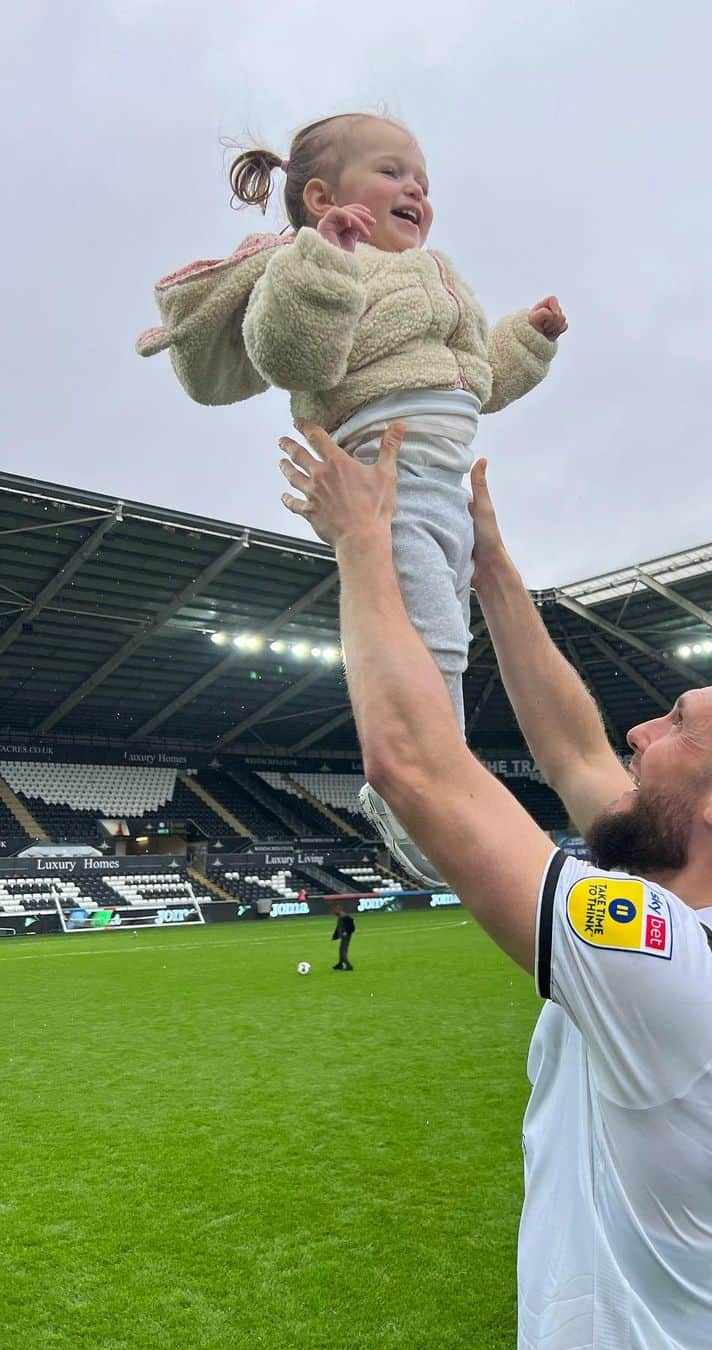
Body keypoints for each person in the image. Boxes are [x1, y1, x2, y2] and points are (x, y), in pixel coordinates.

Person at [277, 421, 712, 1349]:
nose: (640, 730)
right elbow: (573, 750)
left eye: (679, 723)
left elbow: (414, 766)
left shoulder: (679, 973)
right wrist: (492, 571)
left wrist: (364, 543)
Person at [137, 111, 567, 888]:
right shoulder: (312, 267)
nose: (415, 189)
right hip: (381, 478)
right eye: (393, 172)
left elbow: (477, 377)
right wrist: (322, 264)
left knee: (452, 645)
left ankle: (437, 786)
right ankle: (415, 803)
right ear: (321, 195)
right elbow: (289, 351)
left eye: (423, 181)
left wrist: (529, 339)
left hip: (444, 487)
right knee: (428, 641)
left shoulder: (439, 277)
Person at [331, 904, 355, 971]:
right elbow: (339, 927)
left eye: (335, 911)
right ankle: (340, 964)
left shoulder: (344, 916)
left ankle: (348, 966)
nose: (334, 912)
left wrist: (346, 932)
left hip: (346, 936)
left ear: (338, 910)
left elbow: (350, 924)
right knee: (341, 950)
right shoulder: (341, 916)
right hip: (344, 935)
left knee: (343, 951)